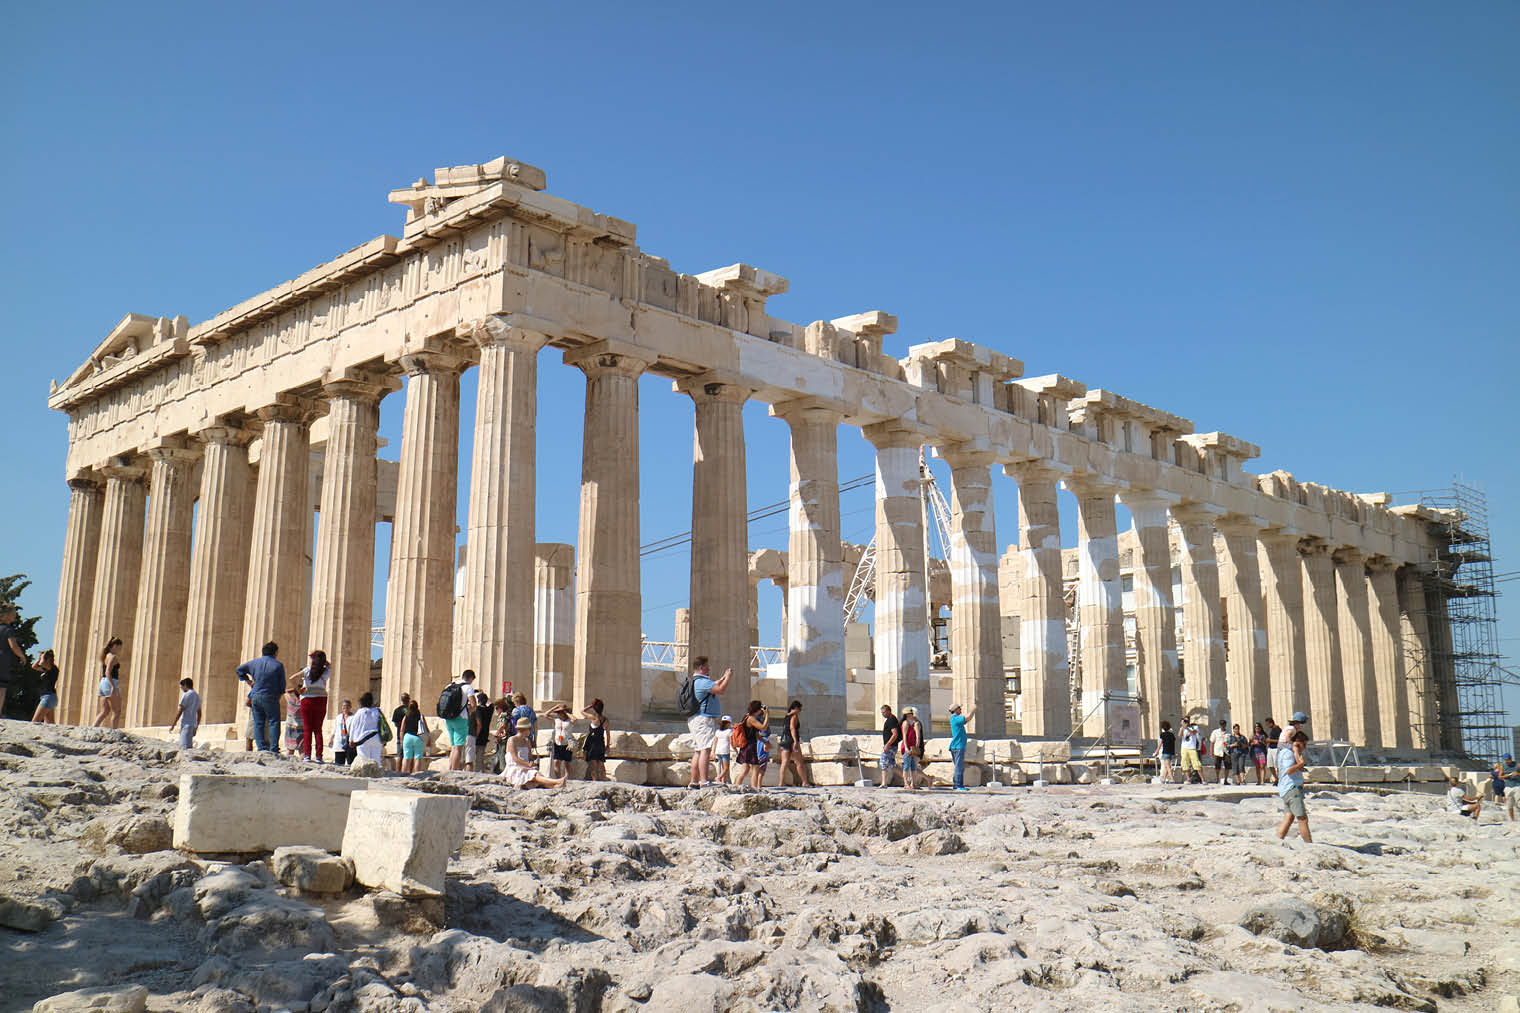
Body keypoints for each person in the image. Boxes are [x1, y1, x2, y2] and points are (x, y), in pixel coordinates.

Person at [684, 657, 732, 788]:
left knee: (698, 751)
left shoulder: (695, 681)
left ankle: (694, 781)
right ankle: (703, 781)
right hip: (704, 719)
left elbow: (714, 685)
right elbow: (720, 690)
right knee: (705, 750)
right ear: (701, 668)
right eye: (707, 666)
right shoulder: (703, 682)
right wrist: (728, 677)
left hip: (695, 719)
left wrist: (721, 678)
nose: (709, 668)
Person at [237, 642, 287, 753]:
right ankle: (273, 748)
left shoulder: (254, 663)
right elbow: (282, 684)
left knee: (258, 722)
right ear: (275, 652)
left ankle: (261, 748)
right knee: (274, 721)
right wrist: (279, 695)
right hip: (270, 695)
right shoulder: (278, 665)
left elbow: (239, 670)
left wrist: (248, 681)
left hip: (256, 695)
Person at [502, 716, 567, 789]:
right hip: (515, 767)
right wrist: (527, 764)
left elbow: (530, 757)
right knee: (533, 775)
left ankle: (556, 785)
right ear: (525, 729)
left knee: (536, 775)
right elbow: (514, 758)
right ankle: (557, 782)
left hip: (525, 766)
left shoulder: (527, 741)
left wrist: (532, 762)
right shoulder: (512, 740)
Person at [1275, 729, 1312, 843]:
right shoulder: (1288, 753)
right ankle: (1309, 846)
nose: (1304, 747)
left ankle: (1277, 841)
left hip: (1285, 788)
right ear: (1297, 742)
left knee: (1289, 817)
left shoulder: (1284, 752)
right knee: (1302, 818)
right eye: (1303, 744)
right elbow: (1288, 770)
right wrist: (1300, 764)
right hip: (1292, 789)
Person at [296, 650, 330, 761]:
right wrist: (322, 660)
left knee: (307, 729)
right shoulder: (325, 671)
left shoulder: (306, 670)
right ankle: (319, 756)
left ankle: (307, 755)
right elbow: (329, 664)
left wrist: (299, 690)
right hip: (321, 700)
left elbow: (292, 678)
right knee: (318, 729)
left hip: (307, 700)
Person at [443, 673, 475, 771]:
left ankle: (450, 768)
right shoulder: (468, 687)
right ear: (471, 678)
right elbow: (473, 704)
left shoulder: (449, 686)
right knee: (458, 747)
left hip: (448, 718)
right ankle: (454, 770)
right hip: (461, 718)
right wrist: (468, 713)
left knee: (453, 746)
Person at [0, 604, 27, 718]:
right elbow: (13, 645)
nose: (15, 616)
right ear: (7, 616)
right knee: (1, 688)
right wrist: (22, 656)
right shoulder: (8, 630)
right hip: (3, 661)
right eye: (13, 614)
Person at [776, 699, 811, 788]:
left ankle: (781, 782)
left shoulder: (786, 716)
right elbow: (792, 728)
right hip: (791, 740)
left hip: (784, 740)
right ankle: (804, 782)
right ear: (796, 708)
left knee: (784, 763)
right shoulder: (794, 716)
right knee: (799, 763)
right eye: (799, 709)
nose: (800, 711)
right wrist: (795, 741)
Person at [93, 637, 123, 729]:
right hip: (110, 682)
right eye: (119, 647)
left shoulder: (105, 656)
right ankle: (114, 731)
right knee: (116, 711)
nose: (120, 650)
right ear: (115, 646)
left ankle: (93, 728)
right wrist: (113, 686)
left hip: (103, 682)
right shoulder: (113, 657)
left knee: (104, 711)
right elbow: (108, 671)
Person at [348, 692, 385, 766]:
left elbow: (353, 726)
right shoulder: (377, 711)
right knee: (376, 759)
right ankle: (377, 774)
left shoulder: (360, 712)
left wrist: (350, 740)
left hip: (363, 739)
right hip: (376, 738)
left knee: (364, 760)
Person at [739, 700, 769, 788]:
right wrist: (767, 714)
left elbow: (755, 734)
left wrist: (765, 742)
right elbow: (763, 727)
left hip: (747, 745)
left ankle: (736, 786)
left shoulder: (747, 716)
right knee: (755, 768)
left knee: (745, 770)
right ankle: (754, 788)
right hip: (749, 745)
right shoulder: (751, 718)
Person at [170, 678, 201, 749]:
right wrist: (196, 727)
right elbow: (199, 713)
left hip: (186, 725)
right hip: (192, 725)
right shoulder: (197, 696)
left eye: (181, 687)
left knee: (183, 747)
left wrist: (173, 724)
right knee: (189, 747)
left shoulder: (187, 694)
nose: (182, 689)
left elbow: (180, 710)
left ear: (185, 685)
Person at [31, 649, 60, 724]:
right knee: (49, 724)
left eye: (46, 658)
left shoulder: (53, 668)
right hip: (49, 697)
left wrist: (42, 657)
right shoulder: (47, 670)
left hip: (48, 697)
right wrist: (39, 657)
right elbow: (34, 666)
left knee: (35, 722)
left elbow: (42, 663)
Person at [582, 699, 609, 781]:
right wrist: (608, 745)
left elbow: (582, 711)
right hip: (601, 743)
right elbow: (608, 734)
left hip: (592, 743)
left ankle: (595, 781)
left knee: (593, 765)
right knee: (601, 764)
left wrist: (589, 706)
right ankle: (603, 780)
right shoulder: (606, 720)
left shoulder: (593, 718)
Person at [544, 703, 573, 779]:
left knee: (567, 763)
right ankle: (558, 778)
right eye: (558, 712)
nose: (559, 714)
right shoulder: (556, 720)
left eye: (561, 712)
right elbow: (545, 715)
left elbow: (575, 719)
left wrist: (566, 712)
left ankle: (567, 778)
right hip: (557, 743)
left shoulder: (569, 720)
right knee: (556, 762)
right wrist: (555, 707)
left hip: (567, 743)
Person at [899, 707, 925, 790]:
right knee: (906, 766)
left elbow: (917, 736)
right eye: (909, 714)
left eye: (911, 714)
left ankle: (913, 783)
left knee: (913, 767)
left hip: (912, 747)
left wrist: (916, 746)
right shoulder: (905, 723)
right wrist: (906, 747)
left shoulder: (913, 723)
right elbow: (905, 737)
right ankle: (906, 783)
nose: (911, 715)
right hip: (907, 747)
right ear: (906, 715)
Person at [400, 699, 429, 774]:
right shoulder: (421, 716)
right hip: (418, 737)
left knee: (406, 758)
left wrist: (401, 741)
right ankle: (417, 774)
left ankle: (403, 774)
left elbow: (402, 730)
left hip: (407, 737)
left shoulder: (406, 716)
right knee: (418, 758)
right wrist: (429, 739)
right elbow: (426, 729)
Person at [948, 703, 972, 791]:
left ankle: (957, 784)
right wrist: (973, 709)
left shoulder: (955, 719)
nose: (961, 710)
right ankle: (958, 785)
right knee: (959, 766)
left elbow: (966, 720)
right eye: (959, 708)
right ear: (955, 710)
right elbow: (968, 718)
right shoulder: (955, 718)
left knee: (959, 766)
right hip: (958, 746)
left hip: (957, 746)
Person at [469, 692, 493, 772]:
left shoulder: (477, 709)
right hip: (484, 736)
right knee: (480, 757)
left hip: (476, 734)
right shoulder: (490, 709)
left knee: (471, 757)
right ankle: (479, 772)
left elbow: (479, 724)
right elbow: (491, 703)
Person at [878, 704, 901, 788]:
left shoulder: (891, 720)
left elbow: (895, 734)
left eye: (884, 712)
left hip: (890, 746)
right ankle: (906, 779)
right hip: (892, 746)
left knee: (883, 762)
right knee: (892, 765)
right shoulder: (891, 719)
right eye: (882, 713)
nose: (883, 714)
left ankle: (884, 783)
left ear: (888, 711)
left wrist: (887, 744)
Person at [330, 699, 356, 765]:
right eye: (344, 706)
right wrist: (331, 739)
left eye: (347, 706)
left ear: (350, 707)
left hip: (349, 742)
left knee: (350, 762)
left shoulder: (353, 717)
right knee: (339, 763)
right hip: (339, 743)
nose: (345, 708)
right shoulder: (338, 717)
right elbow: (334, 728)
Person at [491, 697, 513, 774]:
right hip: (502, 738)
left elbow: (503, 725)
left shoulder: (503, 715)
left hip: (504, 738)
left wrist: (497, 733)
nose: (496, 710)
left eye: (497, 708)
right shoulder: (504, 715)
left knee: (502, 756)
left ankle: (503, 772)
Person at [391, 692, 413, 766]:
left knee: (399, 755)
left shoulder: (397, 710)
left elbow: (395, 723)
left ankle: (398, 771)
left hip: (400, 735)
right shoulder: (412, 710)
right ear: (408, 700)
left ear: (401, 700)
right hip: (411, 734)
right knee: (410, 756)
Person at [284, 683, 304, 756]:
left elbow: (285, 691)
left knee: (290, 749)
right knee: (302, 750)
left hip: (290, 728)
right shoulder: (304, 703)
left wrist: (293, 689)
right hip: (301, 728)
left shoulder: (291, 701)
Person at [714, 716, 734, 785]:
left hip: (718, 751)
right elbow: (731, 742)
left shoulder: (717, 731)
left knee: (721, 767)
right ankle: (718, 777)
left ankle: (723, 781)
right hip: (725, 751)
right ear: (728, 723)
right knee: (726, 768)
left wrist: (713, 752)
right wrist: (735, 750)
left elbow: (715, 742)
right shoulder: (730, 731)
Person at [1499, 754, 1520, 822]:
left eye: (1508, 760)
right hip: (1508, 786)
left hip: (1517, 785)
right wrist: (1507, 776)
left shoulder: (1517, 765)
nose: (1507, 761)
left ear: (1511, 759)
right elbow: (1500, 777)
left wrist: (1518, 774)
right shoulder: (1503, 766)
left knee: (1519, 803)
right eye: (1505, 760)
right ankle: (1512, 819)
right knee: (1510, 805)